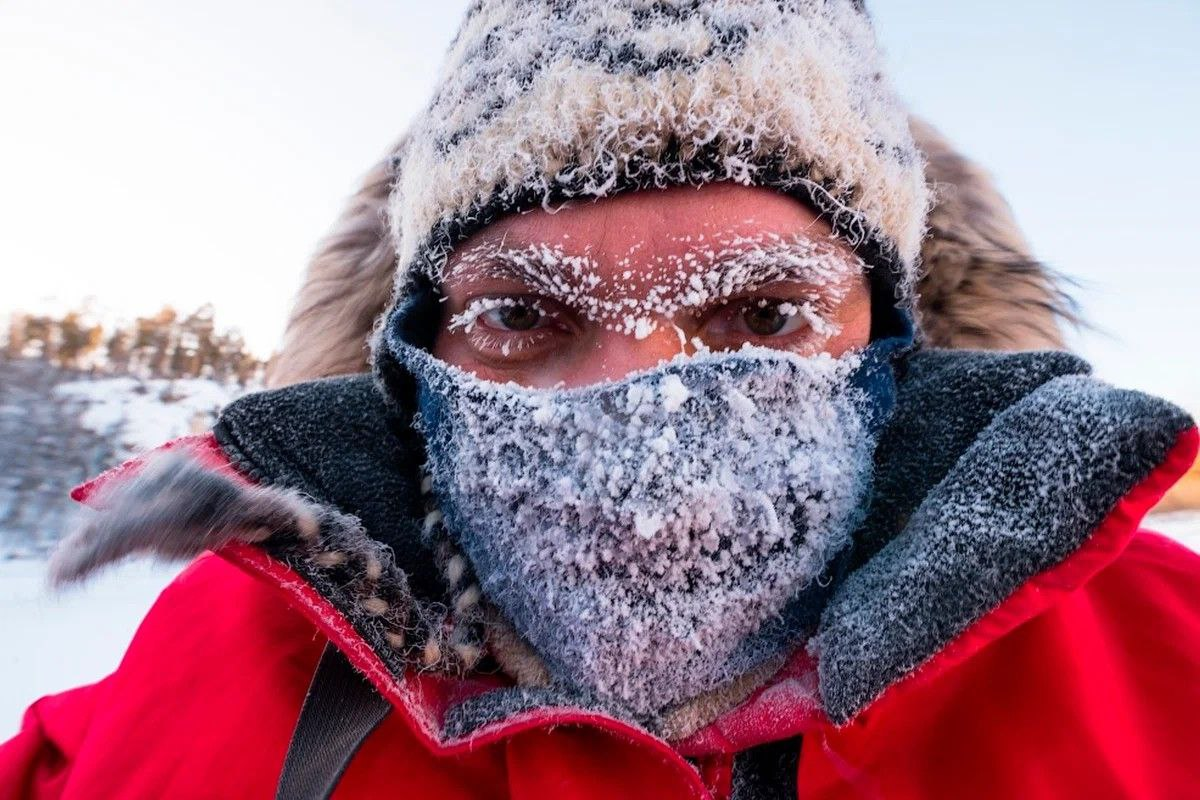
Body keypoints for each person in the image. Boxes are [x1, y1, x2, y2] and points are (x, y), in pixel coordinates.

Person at [4, 2, 1199, 798]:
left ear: (898, 339)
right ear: (414, 351)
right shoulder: (247, 652)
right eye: (522, 316)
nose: (645, 418)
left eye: (764, 314)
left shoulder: (1163, 658)